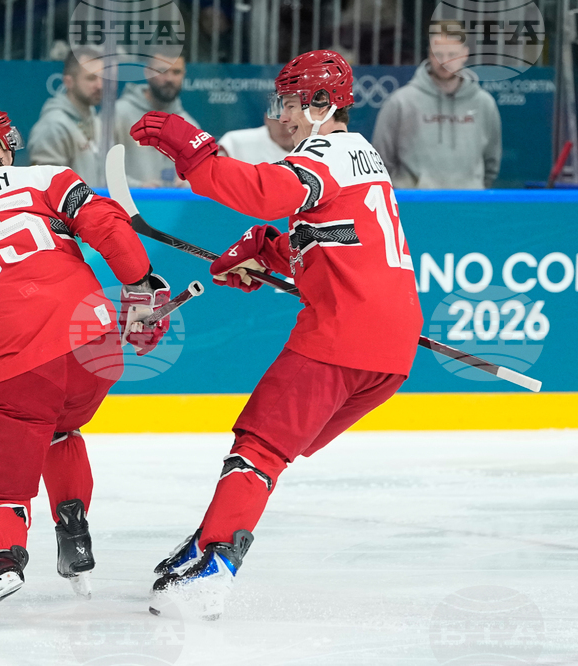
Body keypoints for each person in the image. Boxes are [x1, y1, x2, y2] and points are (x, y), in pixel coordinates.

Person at [130, 50, 424, 619]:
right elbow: (340, 243)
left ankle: (216, 563)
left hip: (341, 335)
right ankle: (209, 538)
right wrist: (267, 250)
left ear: (322, 104)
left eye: (291, 103)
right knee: (275, 448)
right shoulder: (362, 156)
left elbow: (264, 193)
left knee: (259, 446)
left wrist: (195, 150)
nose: (282, 115)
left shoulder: (326, 152)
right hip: (391, 349)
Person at [0, 102, 173, 623]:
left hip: (16, 368)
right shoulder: (46, 177)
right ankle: (74, 528)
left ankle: (2, 560)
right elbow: (107, 225)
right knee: (60, 428)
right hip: (93, 345)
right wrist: (141, 287)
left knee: (1, 484)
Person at [372, 24, 502, 189]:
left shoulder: (484, 103)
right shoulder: (401, 102)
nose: (445, 61)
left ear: (465, 54)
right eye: (438, 54)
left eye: (452, 55)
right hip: (414, 201)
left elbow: (491, 162)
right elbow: (380, 161)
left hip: (469, 200)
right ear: (429, 54)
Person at [114, 50, 199, 187]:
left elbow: (202, 178)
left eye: (176, 72)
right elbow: (101, 169)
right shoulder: (119, 114)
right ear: (147, 73)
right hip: (125, 200)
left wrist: (188, 184)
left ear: (184, 74)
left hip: (173, 201)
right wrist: (139, 187)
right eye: (162, 71)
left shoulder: (190, 126)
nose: (169, 79)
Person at [28, 49, 104, 186]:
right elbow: (47, 187)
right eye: (91, 78)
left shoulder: (96, 120)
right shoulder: (53, 126)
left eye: (103, 78)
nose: (100, 85)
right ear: (68, 82)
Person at [218, 113, 297, 164]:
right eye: (278, 120)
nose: (286, 128)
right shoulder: (235, 141)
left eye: (292, 121)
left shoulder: (304, 147)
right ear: (267, 119)